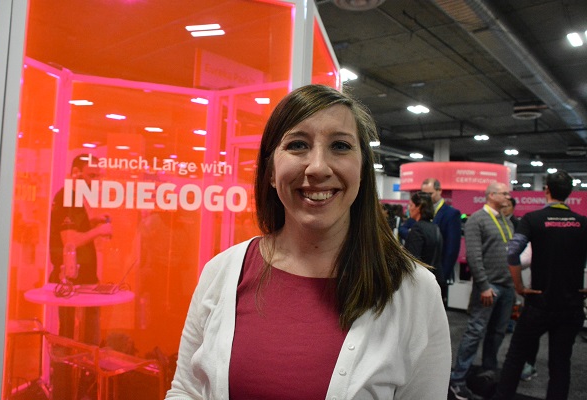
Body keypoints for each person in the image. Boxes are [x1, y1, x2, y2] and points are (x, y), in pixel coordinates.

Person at [166, 84, 451, 399]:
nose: (317, 167)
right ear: (271, 172)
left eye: (340, 146)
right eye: (298, 144)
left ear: (362, 170)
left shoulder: (413, 290)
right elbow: (187, 390)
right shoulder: (221, 273)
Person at [493, 171, 587, 400]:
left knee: (515, 358)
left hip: (538, 303)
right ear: (570, 193)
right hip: (571, 305)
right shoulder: (583, 223)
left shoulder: (532, 219)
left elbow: (513, 252)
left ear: (546, 190)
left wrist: (519, 286)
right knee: (560, 364)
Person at [449, 182, 515, 400]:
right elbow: (474, 257)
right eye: (504, 193)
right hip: (489, 287)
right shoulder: (477, 219)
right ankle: (457, 379)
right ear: (491, 195)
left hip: (507, 286)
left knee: (497, 332)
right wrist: (484, 285)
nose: (508, 195)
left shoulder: (506, 221)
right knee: (476, 330)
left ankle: (488, 371)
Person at [49, 153, 113, 344]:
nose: (96, 181)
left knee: (83, 340)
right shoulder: (67, 198)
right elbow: (70, 240)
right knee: (75, 341)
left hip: (83, 281)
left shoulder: (74, 197)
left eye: (98, 176)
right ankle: (67, 374)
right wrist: (100, 230)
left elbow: (71, 229)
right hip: (73, 283)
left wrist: (92, 222)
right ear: (76, 173)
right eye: (91, 176)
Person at [420, 178, 462, 299]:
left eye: (430, 194)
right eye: (424, 194)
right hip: (423, 270)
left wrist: (443, 276)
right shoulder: (421, 211)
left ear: (439, 191)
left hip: (439, 272)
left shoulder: (451, 213)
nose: (426, 197)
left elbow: (452, 248)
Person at [404, 191, 443, 278]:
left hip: (419, 280)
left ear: (419, 207)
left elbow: (413, 260)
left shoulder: (417, 229)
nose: (409, 209)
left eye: (411, 205)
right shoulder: (435, 228)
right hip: (434, 278)